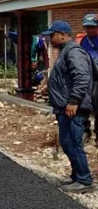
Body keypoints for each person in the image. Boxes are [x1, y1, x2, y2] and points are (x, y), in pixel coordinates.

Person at [42, 21, 95, 193]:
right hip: (65, 107)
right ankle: (76, 176)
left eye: (52, 35)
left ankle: (85, 180)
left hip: (74, 107)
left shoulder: (73, 52)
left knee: (73, 142)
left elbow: (82, 77)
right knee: (67, 142)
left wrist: (73, 101)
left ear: (63, 34)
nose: (50, 39)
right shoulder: (66, 52)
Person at [78, 14, 98, 145]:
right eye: (87, 27)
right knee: (84, 104)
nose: (89, 30)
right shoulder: (83, 41)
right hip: (86, 77)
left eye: (92, 27)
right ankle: (85, 130)